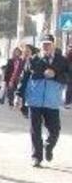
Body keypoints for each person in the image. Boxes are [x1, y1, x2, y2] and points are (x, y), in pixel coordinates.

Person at [20, 34, 69, 167]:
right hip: (34, 101)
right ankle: (37, 157)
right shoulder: (34, 60)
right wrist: (19, 96)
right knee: (35, 130)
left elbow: (68, 77)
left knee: (55, 130)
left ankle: (48, 146)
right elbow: (24, 79)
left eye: (48, 44)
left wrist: (55, 75)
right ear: (40, 46)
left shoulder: (62, 61)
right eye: (44, 44)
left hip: (52, 102)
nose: (46, 46)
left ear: (53, 45)